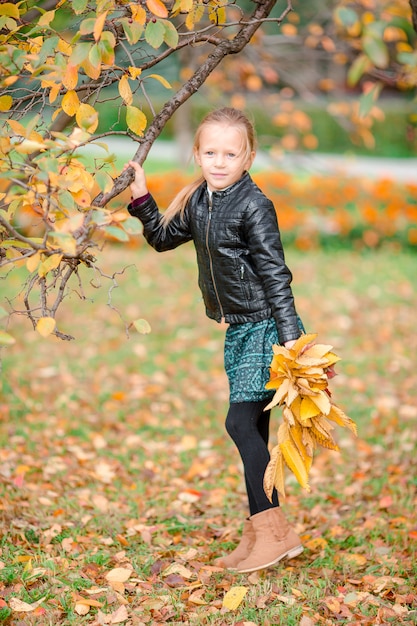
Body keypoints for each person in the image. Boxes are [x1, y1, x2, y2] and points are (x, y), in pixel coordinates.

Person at [124, 107, 304, 574]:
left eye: (230, 153)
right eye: (210, 152)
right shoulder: (200, 200)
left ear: (247, 157)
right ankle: (258, 533)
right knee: (255, 430)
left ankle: (275, 531)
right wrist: (142, 199)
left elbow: (275, 276)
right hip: (239, 327)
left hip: (266, 326)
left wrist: (292, 342)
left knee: (240, 424)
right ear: (197, 154)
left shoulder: (253, 205)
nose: (219, 162)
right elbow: (163, 239)